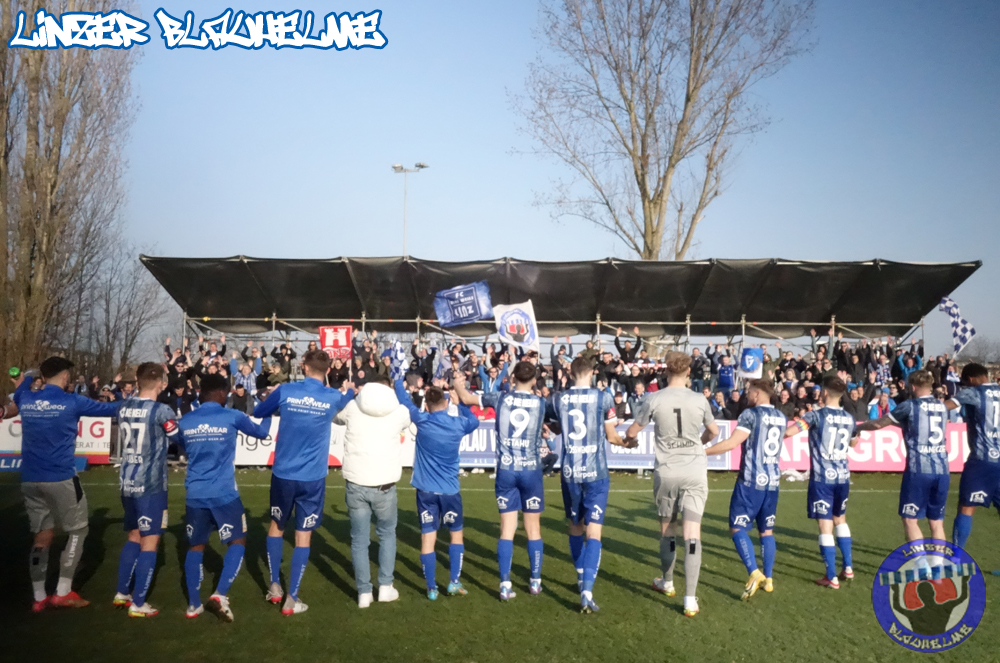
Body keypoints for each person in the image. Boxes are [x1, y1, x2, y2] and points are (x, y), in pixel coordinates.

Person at [2, 357, 122, 611]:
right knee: (78, 531)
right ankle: (63, 591)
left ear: (43, 376)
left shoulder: (26, 397)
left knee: (42, 536)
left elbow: (19, 393)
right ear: (66, 377)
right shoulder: (71, 400)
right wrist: (138, 402)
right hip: (61, 477)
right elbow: (111, 410)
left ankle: (38, 597)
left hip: (30, 479)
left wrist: (20, 382)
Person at [253, 349, 355, 616]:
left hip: (283, 473)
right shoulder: (333, 397)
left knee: (276, 526)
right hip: (312, 477)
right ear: (328, 370)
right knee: (303, 535)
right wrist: (351, 392)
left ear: (304, 366)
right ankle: (292, 597)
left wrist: (269, 398)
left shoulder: (286, 391)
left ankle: (274, 585)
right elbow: (346, 400)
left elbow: (258, 410)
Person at [625, 352, 719, 617]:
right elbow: (714, 432)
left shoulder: (654, 398)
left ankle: (667, 582)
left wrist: (628, 441)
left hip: (667, 472)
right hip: (694, 471)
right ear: (689, 371)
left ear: (666, 371)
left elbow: (633, 432)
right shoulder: (700, 399)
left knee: (668, 531)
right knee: (692, 535)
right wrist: (697, 443)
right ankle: (690, 599)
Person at [176, 373, 272, 622]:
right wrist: (269, 409)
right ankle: (220, 594)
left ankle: (193, 605)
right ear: (221, 393)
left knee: (195, 546)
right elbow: (262, 433)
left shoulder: (186, 420)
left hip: (195, 493)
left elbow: (181, 445)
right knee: (238, 541)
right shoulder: (231, 416)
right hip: (223, 493)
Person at [454, 362, 548, 600]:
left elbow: (465, 398)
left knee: (507, 529)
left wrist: (458, 383)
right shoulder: (541, 403)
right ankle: (535, 581)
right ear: (535, 380)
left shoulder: (501, 397)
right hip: (531, 470)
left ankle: (505, 584)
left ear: (512, 377)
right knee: (533, 529)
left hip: (506, 470)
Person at [551, 357, 635, 614]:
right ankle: (587, 589)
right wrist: (627, 443)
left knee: (575, 526)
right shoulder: (604, 398)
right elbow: (611, 436)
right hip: (596, 473)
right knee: (594, 532)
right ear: (592, 372)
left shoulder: (558, 399)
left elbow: (551, 424)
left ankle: (579, 576)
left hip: (570, 472)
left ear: (570, 372)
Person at [394, 378, 480, 600]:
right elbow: (474, 421)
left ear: (427, 405)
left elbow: (404, 399)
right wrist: (461, 402)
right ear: (445, 402)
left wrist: (396, 378)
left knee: (427, 537)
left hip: (426, 491)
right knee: (456, 536)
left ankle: (431, 587)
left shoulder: (422, 420)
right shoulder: (458, 423)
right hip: (450, 491)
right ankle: (453, 582)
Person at [333, 375, 412, 608]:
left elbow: (335, 415)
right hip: (384, 485)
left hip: (357, 484)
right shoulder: (398, 411)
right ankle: (385, 587)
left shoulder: (353, 407)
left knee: (359, 540)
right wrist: (401, 389)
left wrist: (346, 393)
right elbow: (410, 413)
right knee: (387, 535)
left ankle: (364, 593)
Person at [706, 379, 786, 601]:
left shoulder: (750, 415)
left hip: (751, 482)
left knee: (737, 528)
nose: (747, 395)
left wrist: (702, 452)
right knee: (766, 531)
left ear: (758, 394)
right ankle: (768, 579)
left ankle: (754, 572)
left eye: (750, 391)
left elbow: (732, 443)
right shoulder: (781, 416)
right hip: (773, 482)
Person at [112, 363, 181, 618]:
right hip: (151, 484)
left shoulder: (125, 405)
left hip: (127, 481)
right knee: (151, 540)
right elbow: (177, 437)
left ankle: (122, 592)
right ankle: (138, 603)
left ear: (138, 381)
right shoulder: (162, 410)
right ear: (162, 383)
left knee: (133, 535)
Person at [856, 370, 948, 543]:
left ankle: (922, 567)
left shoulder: (910, 405)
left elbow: (877, 423)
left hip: (918, 469)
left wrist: (858, 428)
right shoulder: (942, 406)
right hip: (943, 469)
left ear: (913, 387)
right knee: (937, 523)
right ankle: (938, 567)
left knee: (910, 519)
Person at [783, 376, 857, 590]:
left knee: (825, 525)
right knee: (840, 519)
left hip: (823, 477)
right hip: (843, 476)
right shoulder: (849, 418)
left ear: (824, 392)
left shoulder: (815, 415)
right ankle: (849, 567)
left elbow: (789, 432)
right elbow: (854, 441)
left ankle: (831, 576)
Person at [945, 363, 999, 548]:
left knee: (966, 507)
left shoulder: (973, 392)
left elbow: (945, 407)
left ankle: (956, 560)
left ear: (970, 379)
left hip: (982, 459)